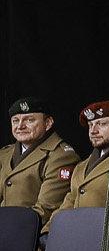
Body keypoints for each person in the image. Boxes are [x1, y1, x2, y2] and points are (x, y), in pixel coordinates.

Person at [2, 97, 79, 234]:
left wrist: (9, 232)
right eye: (15, 121)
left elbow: (46, 209)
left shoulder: (61, 156)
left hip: (29, 238)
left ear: (48, 123)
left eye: (29, 120)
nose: (20, 126)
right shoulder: (5, 154)